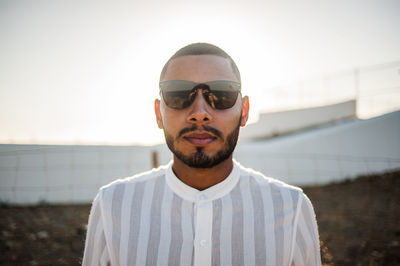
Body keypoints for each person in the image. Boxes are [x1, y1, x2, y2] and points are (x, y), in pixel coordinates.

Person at [82, 43, 322, 266]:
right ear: (158, 114)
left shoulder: (291, 207)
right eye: (177, 94)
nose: (199, 113)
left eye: (221, 94)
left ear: (244, 111)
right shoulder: (112, 205)